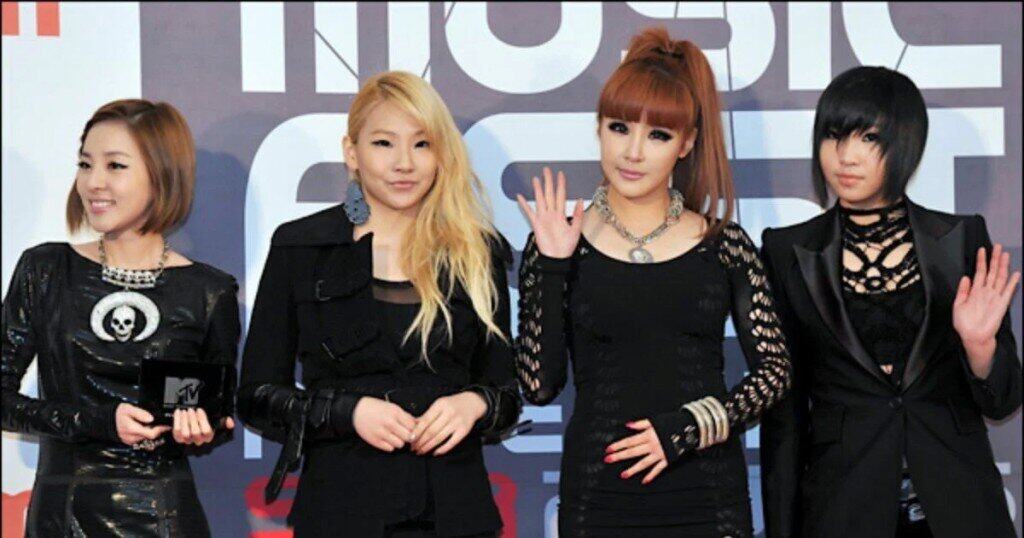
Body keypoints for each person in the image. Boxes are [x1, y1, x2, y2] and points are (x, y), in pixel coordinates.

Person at [514, 27, 792, 537]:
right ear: (599, 128)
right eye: (620, 128)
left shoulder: (723, 244)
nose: (633, 152)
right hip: (599, 498)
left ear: (687, 143)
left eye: (658, 135)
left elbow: (775, 372)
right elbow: (538, 386)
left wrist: (689, 428)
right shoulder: (557, 241)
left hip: (706, 497)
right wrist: (554, 266)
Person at [237, 70, 522, 537]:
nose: (404, 163)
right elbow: (256, 395)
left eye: (422, 144)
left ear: (441, 154)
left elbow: (505, 392)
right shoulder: (301, 247)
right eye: (384, 143)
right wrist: (346, 412)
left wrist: (474, 404)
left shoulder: (476, 251)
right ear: (352, 152)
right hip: (339, 511)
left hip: (455, 513)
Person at [758, 66, 1021, 538]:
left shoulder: (961, 238)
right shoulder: (786, 251)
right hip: (843, 508)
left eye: (869, 138)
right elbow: (785, 415)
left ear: (906, 144)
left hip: (959, 508)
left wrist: (979, 347)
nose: (846, 155)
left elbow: (1003, 400)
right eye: (834, 135)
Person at [1, 99, 239, 537]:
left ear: (162, 174)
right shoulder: (46, 269)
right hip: (63, 514)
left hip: (164, 516)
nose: (93, 182)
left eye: (115, 166)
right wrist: (97, 422)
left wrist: (200, 429)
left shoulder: (209, 291)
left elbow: (216, 414)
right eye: (85, 164)